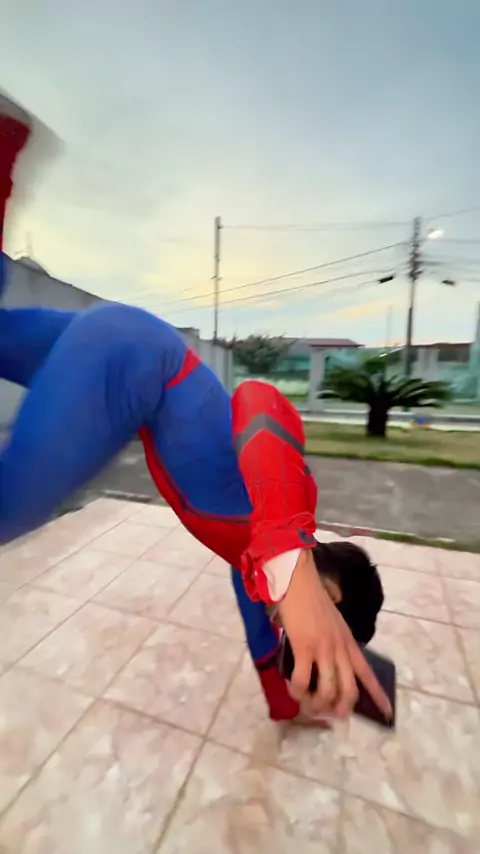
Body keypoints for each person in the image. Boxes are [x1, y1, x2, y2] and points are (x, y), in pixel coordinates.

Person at [0, 92, 391, 725]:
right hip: (133, 362)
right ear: (330, 593)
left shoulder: (257, 572)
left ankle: (2, 144)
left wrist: (288, 705)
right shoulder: (287, 514)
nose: (289, 636)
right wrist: (290, 558)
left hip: (131, 348)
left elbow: (260, 637)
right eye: (310, 638)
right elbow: (260, 402)